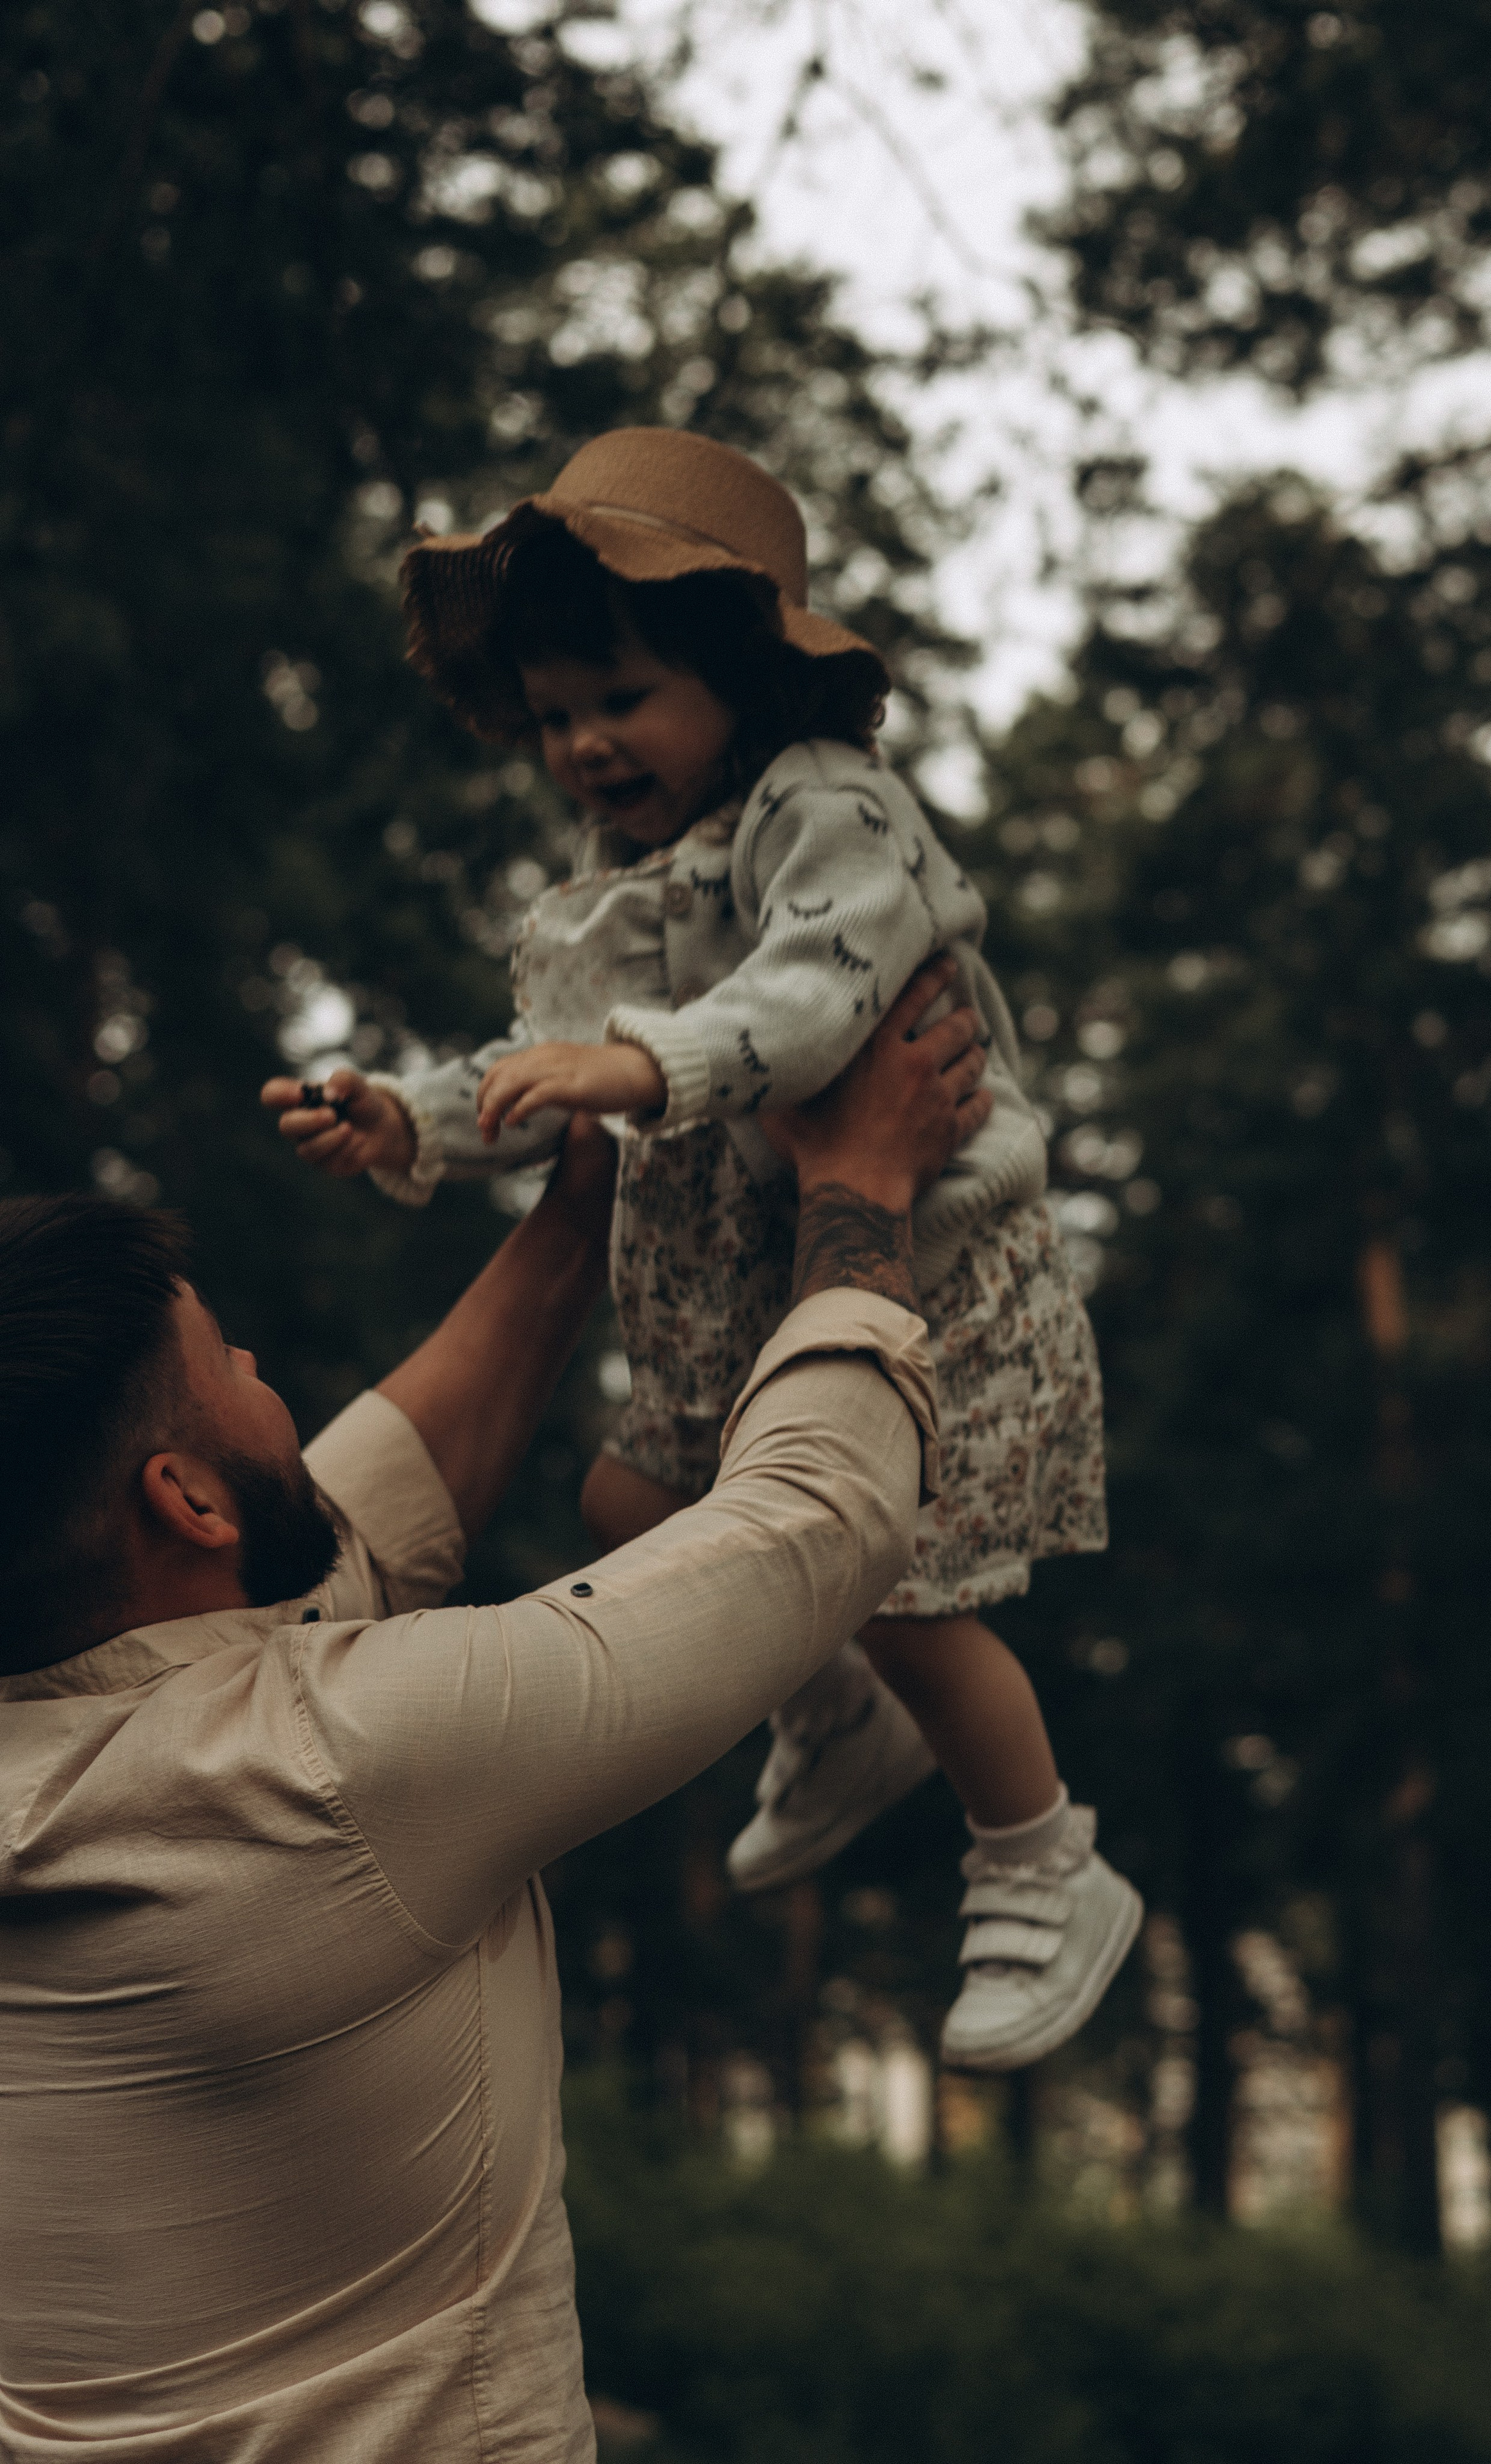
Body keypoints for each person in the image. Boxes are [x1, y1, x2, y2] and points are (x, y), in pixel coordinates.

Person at [1, 971, 976, 2464]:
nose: (265, 1375)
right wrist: (861, 1181)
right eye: (229, 1369)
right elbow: (806, 1528)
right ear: (182, 1500)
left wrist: (582, 1216)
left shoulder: (128, 1744)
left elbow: (376, 1504)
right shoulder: (327, 1772)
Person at [264, 427, 1141, 2071]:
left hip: (915, 1283)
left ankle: (1040, 1858)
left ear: (739, 673)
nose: (584, 744)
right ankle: (834, 1720)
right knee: (629, 1505)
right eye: (553, 717)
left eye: (620, 697)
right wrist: (417, 1119)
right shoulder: (628, 872)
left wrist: (641, 1065)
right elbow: (553, 1054)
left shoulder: (831, 815)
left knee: (905, 1594)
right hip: (730, 1302)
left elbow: (808, 997)